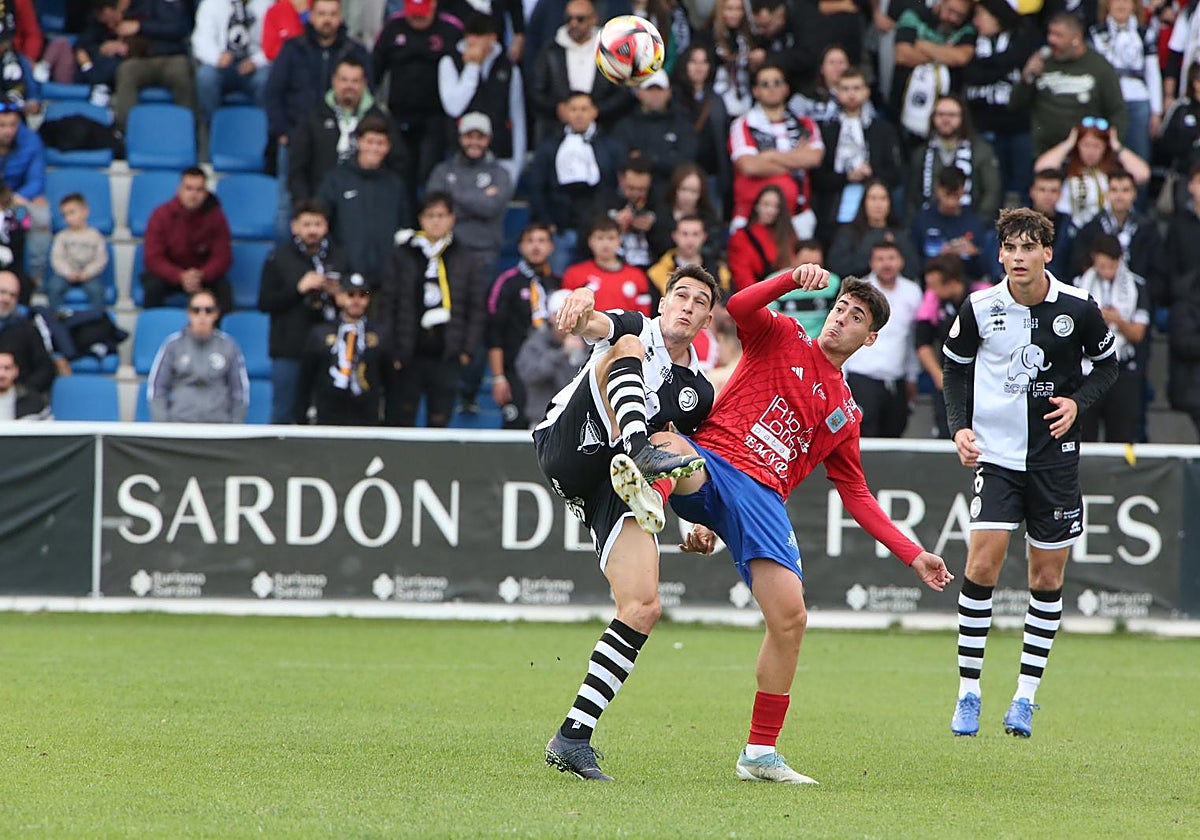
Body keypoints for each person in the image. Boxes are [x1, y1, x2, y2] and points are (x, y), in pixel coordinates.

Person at [603, 266, 953, 783]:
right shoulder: (783, 334)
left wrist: (913, 553)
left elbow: (855, 493)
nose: (840, 320)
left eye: (855, 317)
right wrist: (791, 279)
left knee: (791, 619)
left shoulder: (846, 414)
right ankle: (651, 503)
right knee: (671, 445)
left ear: (870, 337)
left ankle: (759, 754)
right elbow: (741, 306)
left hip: (764, 501)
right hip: (715, 463)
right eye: (839, 309)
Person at [538, 265, 721, 782]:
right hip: (571, 445)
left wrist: (694, 524)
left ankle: (572, 738)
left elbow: (677, 458)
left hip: (613, 485)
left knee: (642, 607)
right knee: (628, 348)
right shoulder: (638, 325)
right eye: (679, 295)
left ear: (708, 318)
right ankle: (635, 448)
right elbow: (594, 323)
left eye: (698, 300)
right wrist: (579, 301)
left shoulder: (699, 392)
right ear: (663, 303)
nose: (686, 305)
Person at [943, 208, 1118, 739]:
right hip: (996, 457)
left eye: (1028, 247)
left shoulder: (1079, 308)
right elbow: (955, 366)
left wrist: (1076, 404)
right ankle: (968, 692)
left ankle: (1024, 697)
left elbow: (1108, 366)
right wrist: (959, 428)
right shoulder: (979, 307)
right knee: (982, 565)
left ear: (1047, 252)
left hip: (1055, 462)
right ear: (1000, 254)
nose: (1018, 257)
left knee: (1046, 577)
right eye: (1010, 248)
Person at [379, 191, 486, 427]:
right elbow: (388, 303)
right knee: (401, 419)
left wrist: (466, 349)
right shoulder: (403, 254)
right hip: (408, 354)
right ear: (421, 220)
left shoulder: (464, 257)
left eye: (441, 215)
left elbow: (476, 307)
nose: (436, 221)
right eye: (430, 215)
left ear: (452, 219)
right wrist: (392, 349)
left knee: (440, 420)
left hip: (447, 354)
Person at [257, 200, 344, 423]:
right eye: (306, 224)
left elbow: (358, 299)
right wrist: (299, 289)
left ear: (326, 226)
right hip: (289, 349)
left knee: (327, 415)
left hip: (330, 349)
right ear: (295, 227)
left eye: (317, 224)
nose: (312, 230)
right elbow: (265, 302)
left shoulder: (340, 258)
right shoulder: (278, 258)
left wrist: (337, 295)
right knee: (284, 414)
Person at [371, 0, 460, 210]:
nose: (418, 19)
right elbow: (373, 71)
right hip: (400, 116)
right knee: (402, 173)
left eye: (422, 14)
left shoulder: (450, 29)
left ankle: (430, 224)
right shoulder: (393, 28)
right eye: (414, 14)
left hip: (436, 117)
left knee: (429, 171)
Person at [527, 91, 623, 277]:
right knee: (559, 282)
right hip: (563, 229)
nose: (579, 114)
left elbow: (616, 184)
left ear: (594, 112)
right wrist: (548, 221)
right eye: (574, 109)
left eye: (584, 109)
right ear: (565, 112)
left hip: (598, 230)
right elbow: (537, 186)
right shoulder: (550, 147)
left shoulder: (611, 146)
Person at [728, 63, 824, 238]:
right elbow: (749, 166)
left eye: (777, 82)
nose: (772, 88)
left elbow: (814, 158)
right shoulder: (743, 124)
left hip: (798, 216)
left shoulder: (805, 124)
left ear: (786, 88)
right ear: (755, 90)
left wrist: (770, 156)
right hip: (751, 218)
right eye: (765, 84)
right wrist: (796, 161)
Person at [1072, 234, 1150, 443]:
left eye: (1112, 266)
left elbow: (1138, 333)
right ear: (1094, 259)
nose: (1107, 272)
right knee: (1085, 436)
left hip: (1122, 371)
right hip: (1088, 371)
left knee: (1122, 436)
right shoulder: (1078, 286)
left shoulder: (1137, 286)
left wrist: (1118, 320)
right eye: (1103, 266)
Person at [841, 240, 923, 438]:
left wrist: (912, 376)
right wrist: (841, 378)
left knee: (895, 435)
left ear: (901, 261)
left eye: (891, 258)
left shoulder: (913, 292)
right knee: (862, 437)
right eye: (880, 259)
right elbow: (843, 334)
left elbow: (912, 338)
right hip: (861, 378)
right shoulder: (858, 292)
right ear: (871, 263)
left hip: (896, 381)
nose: (886, 264)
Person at [812, 67, 904, 243]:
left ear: (866, 92)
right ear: (837, 93)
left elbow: (896, 173)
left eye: (856, 88)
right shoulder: (827, 130)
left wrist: (871, 172)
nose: (851, 94)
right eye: (845, 89)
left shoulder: (883, 129)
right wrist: (847, 177)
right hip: (834, 213)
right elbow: (818, 178)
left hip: (874, 217)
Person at [1014, 12, 1126, 156]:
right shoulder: (1042, 62)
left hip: (1084, 155)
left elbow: (1117, 111)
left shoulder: (1099, 67)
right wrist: (1026, 77)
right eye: (1050, 33)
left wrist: (1108, 148)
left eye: (1058, 35)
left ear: (1076, 38)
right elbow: (1015, 104)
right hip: (1045, 152)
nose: (1051, 39)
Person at [316, 114, 410, 286]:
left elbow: (404, 228)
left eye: (380, 143)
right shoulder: (337, 180)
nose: (374, 148)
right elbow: (321, 222)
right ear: (359, 142)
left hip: (386, 281)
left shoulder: (395, 185)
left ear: (388, 147)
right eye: (370, 141)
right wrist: (337, 262)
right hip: (348, 281)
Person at [288, 56, 391, 205]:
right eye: (344, 80)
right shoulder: (314, 118)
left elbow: (396, 165)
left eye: (355, 81)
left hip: (367, 205)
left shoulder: (380, 119)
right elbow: (297, 169)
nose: (349, 86)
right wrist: (307, 206)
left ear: (364, 84)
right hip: (321, 205)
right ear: (334, 81)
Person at [961, 0, 1037, 200]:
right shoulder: (970, 39)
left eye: (981, 15)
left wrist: (985, 67)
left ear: (997, 17)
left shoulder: (1022, 39)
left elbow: (1018, 61)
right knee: (990, 185)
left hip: (1018, 126)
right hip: (983, 125)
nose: (976, 22)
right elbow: (971, 74)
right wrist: (1004, 67)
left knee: (1021, 185)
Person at [426, 111, 515, 282]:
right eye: (469, 136)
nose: (474, 142)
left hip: (485, 254)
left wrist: (453, 195)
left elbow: (491, 208)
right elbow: (435, 209)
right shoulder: (442, 171)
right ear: (460, 138)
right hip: (447, 251)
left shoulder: (500, 174)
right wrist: (479, 198)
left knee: (480, 308)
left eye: (480, 137)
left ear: (488, 139)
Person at [437, 13, 526, 183]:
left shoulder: (508, 68)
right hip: (459, 153)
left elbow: (517, 116)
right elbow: (453, 107)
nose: (472, 42)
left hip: (500, 152)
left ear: (492, 38)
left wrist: (517, 163)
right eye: (470, 36)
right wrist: (472, 67)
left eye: (479, 36)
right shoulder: (450, 62)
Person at [486, 223, 558, 430]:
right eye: (530, 241)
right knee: (515, 425)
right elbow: (494, 331)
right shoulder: (507, 282)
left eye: (542, 241)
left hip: (549, 370)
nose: (536, 247)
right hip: (516, 369)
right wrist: (498, 377)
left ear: (551, 247)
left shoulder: (558, 283)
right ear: (520, 247)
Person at [528, 0, 631, 142]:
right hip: (557, 131)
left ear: (593, 20)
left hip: (603, 131)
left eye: (580, 19)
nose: (573, 24)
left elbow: (623, 91)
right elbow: (536, 90)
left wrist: (598, 110)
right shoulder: (551, 51)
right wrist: (557, 109)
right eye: (569, 18)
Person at [294, 271, 386, 425]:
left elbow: (389, 380)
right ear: (339, 297)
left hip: (366, 416)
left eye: (362, 295)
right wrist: (300, 418)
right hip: (329, 415)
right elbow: (306, 379)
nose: (356, 300)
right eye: (351, 294)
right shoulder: (320, 333)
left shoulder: (379, 334)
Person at [147, 289, 250, 423]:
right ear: (189, 314)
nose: (202, 315)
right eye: (196, 310)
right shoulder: (172, 345)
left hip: (219, 427)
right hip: (179, 425)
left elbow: (239, 391)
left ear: (216, 314)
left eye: (208, 310)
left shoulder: (229, 346)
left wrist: (234, 426)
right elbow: (157, 388)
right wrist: (164, 425)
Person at [142, 168, 234, 313]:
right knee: (153, 287)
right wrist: (179, 276)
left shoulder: (216, 217)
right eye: (189, 188)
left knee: (223, 287)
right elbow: (153, 258)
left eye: (199, 190)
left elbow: (223, 256)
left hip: (202, 275)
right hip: (169, 275)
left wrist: (203, 274)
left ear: (205, 193)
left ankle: (220, 335)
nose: (193, 195)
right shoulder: (160, 215)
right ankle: (151, 331)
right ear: (179, 189)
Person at [905, 93, 1002, 225]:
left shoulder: (981, 151)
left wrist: (978, 224)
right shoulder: (921, 153)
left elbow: (991, 192)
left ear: (963, 118)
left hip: (971, 225)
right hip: (929, 224)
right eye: (940, 114)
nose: (945, 119)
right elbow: (912, 197)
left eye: (951, 115)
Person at [1034, 121, 1150, 231]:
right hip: (1071, 229)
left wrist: (1116, 145)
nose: (1091, 151)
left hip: (1105, 230)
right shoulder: (1067, 167)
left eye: (1097, 146)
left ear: (1105, 147)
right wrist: (1069, 143)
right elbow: (1041, 169)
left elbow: (1143, 174)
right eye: (1086, 145)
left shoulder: (1113, 169)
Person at [1068, 168, 1163, 303]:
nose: (1119, 196)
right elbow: (1077, 266)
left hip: (1137, 299)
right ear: (1107, 193)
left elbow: (1157, 271)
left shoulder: (1147, 229)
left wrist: (1142, 296)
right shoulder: (1091, 228)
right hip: (1096, 295)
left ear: (1134, 194)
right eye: (1114, 190)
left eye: (1125, 190)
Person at [1089, 0, 1162, 166]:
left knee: (1138, 155)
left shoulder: (1145, 33)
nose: (1121, 5)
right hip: (1106, 102)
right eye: (1116, 1)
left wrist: (1156, 111)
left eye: (1126, 1)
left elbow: (1152, 73)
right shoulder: (1096, 33)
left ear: (1134, 5)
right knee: (1106, 155)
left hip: (1138, 99)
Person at [890, 0, 976, 141]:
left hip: (946, 109)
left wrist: (922, 45)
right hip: (905, 104)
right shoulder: (914, 15)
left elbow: (961, 57)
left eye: (959, 15)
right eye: (950, 11)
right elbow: (902, 55)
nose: (953, 18)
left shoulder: (967, 27)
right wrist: (945, 53)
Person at [112, 0, 198, 130]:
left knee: (180, 73)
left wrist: (140, 27)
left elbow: (178, 28)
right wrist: (121, 11)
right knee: (126, 70)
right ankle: (128, 132)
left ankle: (189, 130)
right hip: (142, 59)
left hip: (172, 56)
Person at [192, 0, 271, 127]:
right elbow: (201, 42)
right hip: (222, 66)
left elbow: (274, 44)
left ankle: (264, 132)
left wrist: (256, 61)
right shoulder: (211, 4)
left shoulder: (267, 4)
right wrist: (217, 57)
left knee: (266, 79)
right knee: (205, 77)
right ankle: (213, 130)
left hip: (253, 66)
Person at [612, 70, 699, 187]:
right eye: (650, 90)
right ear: (639, 93)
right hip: (635, 191)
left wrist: (648, 159)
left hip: (671, 192)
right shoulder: (625, 126)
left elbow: (685, 162)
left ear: (669, 93)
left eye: (659, 90)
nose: (655, 94)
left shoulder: (682, 124)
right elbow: (622, 161)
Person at [914, 253, 968, 438]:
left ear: (952, 282)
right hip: (949, 380)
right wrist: (940, 378)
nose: (931, 290)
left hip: (981, 382)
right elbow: (922, 342)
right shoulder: (932, 301)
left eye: (934, 286)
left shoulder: (981, 298)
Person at [515, 289, 587, 426]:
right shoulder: (535, 343)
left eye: (572, 315)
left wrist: (580, 354)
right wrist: (562, 353)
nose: (567, 321)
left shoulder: (589, 343)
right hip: (544, 421)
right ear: (551, 318)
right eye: (560, 315)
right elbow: (529, 374)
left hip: (581, 422)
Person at [910, 166, 993, 282]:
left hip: (965, 285)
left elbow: (985, 270)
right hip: (931, 284)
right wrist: (940, 258)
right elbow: (913, 264)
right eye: (947, 195)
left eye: (956, 196)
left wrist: (974, 253)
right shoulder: (922, 221)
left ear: (963, 191)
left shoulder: (975, 223)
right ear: (938, 189)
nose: (951, 202)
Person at [827, 178, 919, 280]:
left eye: (883, 198)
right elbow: (837, 266)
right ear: (864, 202)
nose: (878, 204)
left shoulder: (899, 234)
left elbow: (913, 269)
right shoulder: (848, 232)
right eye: (873, 198)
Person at [561, 216, 652, 315]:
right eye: (600, 238)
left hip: (628, 330)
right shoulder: (574, 274)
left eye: (611, 238)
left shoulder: (637, 276)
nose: (605, 244)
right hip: (588, 330)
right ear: (590, 241)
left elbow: (644, 316)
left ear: (619, 241)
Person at [0, 106, 48, 287]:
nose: (8, 130)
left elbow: (37, 180)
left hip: (18, 198)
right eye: (2, 125)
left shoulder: (30, 140)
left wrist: (14, 197)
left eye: (13, 125)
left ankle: (35, 277)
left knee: (42, 216)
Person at [46, 193, 108, 313]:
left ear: (85, 211)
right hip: (66, 274)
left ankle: (97, 321)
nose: (69, 218)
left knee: (97, 291)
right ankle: (55, 320)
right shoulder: (62, 237)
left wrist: (88, 272)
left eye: (72, 212)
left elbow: (101, 259)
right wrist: (68, 272)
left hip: (89, 275)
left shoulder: (95, 236)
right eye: (65, 215)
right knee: (53, 288)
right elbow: (57, 259)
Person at [727, 184, 795, 292]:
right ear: (756, 206)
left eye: (776, 206)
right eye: (766, 204)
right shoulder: (741, 237)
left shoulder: (788, 235)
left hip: (784, 296)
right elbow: (743, 277)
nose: (770, 211)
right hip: (756, 296)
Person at [0, 269, 54, 398]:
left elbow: (45, 369)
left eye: (13, 295)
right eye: (2, 292)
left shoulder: (28, 330)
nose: (7, 299)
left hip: (19, 401)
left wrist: (25, 391)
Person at [1028, 168, 1077, 283]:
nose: (1048, 196)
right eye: (1042, 190)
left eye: (1053, 191)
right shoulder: (1018, 223)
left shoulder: (1069, 225)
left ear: (1060, 194)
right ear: (1032, 192)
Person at [788, 44, 848, 124]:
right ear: (822, 68)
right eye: (832, 62)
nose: (837, 67)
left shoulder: (856, 96)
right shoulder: (804, 97)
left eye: (841, 62)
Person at [0, 350, 47, 420]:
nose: (2, 374)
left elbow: (49, 428)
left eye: (7, 368)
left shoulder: (33, 401)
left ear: (16, 371)